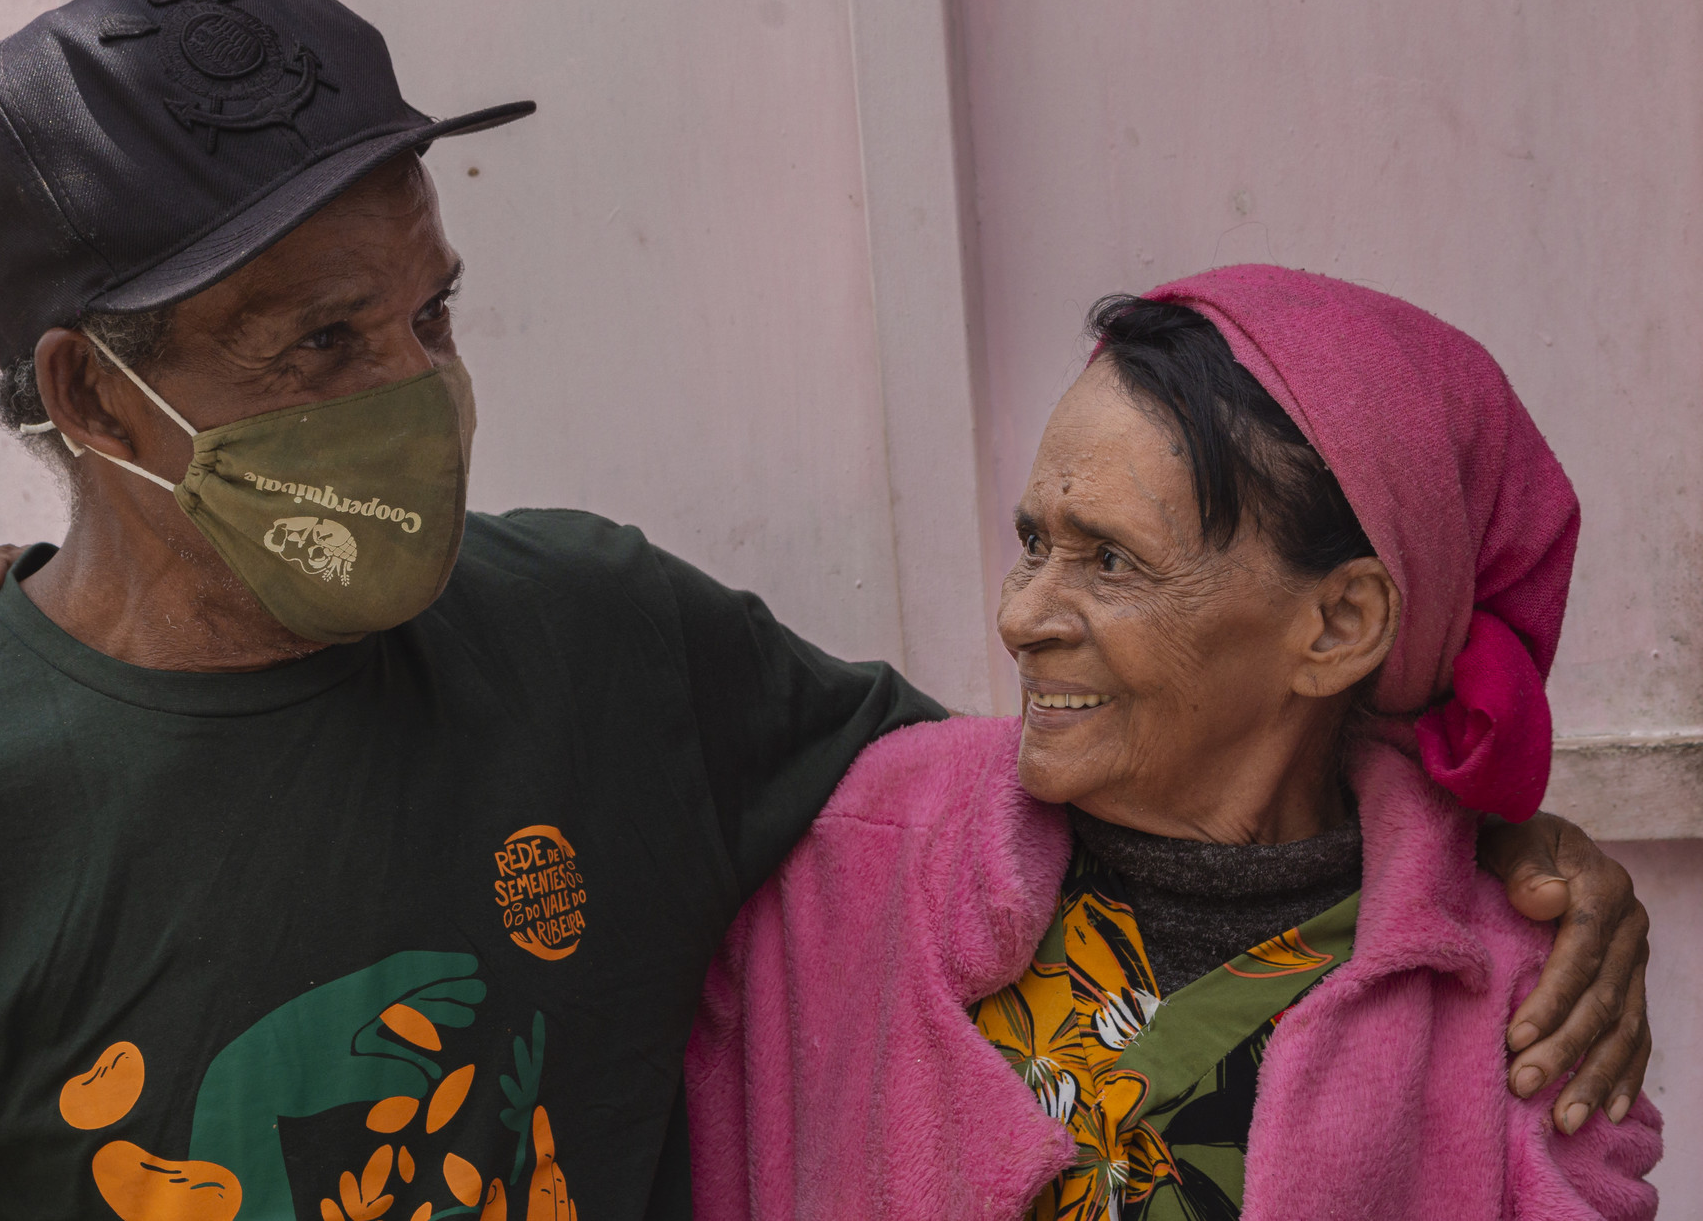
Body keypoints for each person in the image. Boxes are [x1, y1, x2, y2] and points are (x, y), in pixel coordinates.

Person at [0, 0, 1645, 1219]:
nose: (419, 393)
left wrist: (1484, 838)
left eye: (433, 308)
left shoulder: (602, 638)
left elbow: (1106, 785)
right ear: (87, 394)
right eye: (313, 346)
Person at [685, 269, 1663, 1219]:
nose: (1022, 616)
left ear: (1338, 624)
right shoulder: (854, 854)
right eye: (1033, 544)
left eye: (1109, 561)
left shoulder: (1528, 1008)